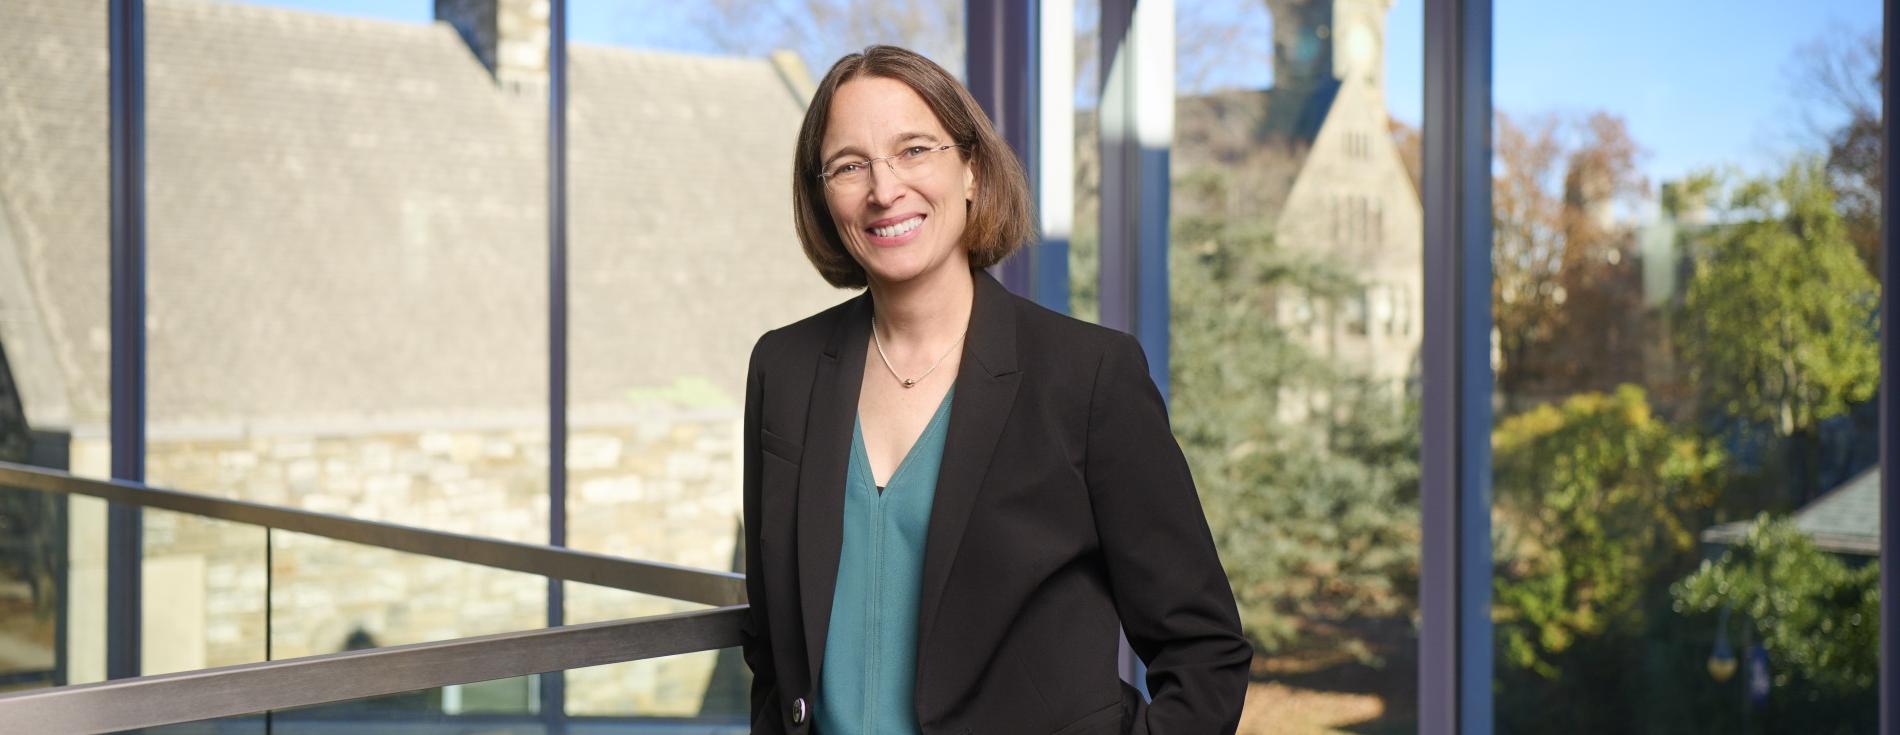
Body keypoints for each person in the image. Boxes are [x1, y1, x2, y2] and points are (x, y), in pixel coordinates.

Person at [741, 45, 1250, 735]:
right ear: (823, 194)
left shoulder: (1087, 375)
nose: (883, 188)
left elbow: (1204, 650)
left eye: (914, 149)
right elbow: (775, 648)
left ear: (973, 169)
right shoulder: (785, 368)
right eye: (849, 165)